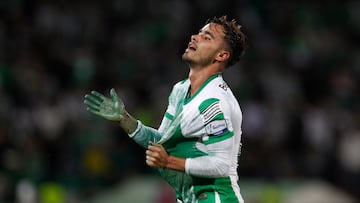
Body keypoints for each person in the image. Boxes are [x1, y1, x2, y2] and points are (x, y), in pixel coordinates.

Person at [84, 15, 247, 203]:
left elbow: (222, 165)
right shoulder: (180, 90)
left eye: (207, 37)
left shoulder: (214, 102)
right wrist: (125, 119)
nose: (195, 37)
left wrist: (169, 162)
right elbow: (161, 144)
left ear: (221, 55)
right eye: (199, 33)